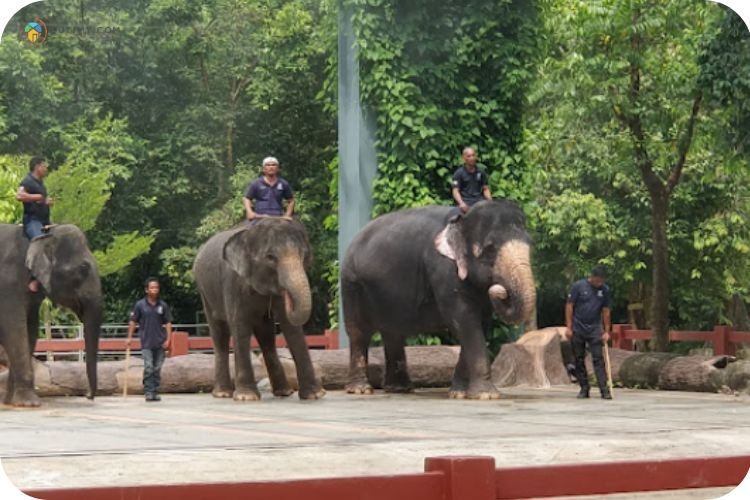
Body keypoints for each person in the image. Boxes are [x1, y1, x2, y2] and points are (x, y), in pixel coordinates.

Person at [565, 265, 612, 400]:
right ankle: (584, 388)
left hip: (595, 329)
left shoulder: (604, 290)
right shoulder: (578, 286)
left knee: (598, 359)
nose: (600, 282)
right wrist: (569, 327)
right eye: (598, 280)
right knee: (579, 359)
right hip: (578, 328)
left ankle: (604, 389)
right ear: (592, 277)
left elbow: (606, 310)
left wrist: (606, 330)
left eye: (602, 280)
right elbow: (569, 306)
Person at [126, 278, 173, 402]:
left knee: (157, 368)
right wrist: (129, 337)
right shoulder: (140, 305)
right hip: (146, 341)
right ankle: (148, 391)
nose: (155, 290)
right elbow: (133, 321)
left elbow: (168, 323)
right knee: (148, 367)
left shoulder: (162, 305)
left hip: (160, 341)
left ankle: (155, 391)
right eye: (152, 288)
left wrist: (168, 339)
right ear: (147, 290)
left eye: (156, 287)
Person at [16, 156, 54, 292]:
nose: (46, 168)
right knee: (39, 241)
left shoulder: (41, 184)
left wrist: (46, 201)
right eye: (44, 165)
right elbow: (19, 196)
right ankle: (34, 280)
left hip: (45, 222)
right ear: (37, 166)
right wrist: (36, 197)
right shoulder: (28, 181)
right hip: (33, 221)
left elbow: (41, 200)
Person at [243, 156, 295, 221]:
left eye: (273, 165)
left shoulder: (283, 183)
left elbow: (291, 200)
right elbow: (247, 198)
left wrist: (287, 214)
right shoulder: (256, 183)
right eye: (268, 165)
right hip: (259, 217)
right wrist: (250, 212)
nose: (271, 167)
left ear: (278, 168)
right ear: (263, 169)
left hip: (278, 218)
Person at [451, 147, 492, 213]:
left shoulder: (481, 172)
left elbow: (486, 189)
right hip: (465, 202)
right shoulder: (459, 173)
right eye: (469, 156)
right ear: (464, 158)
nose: (472, 158)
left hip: (479, 202)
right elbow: (455, 191)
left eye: (473, 155)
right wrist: (461, 203)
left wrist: (490, 201)